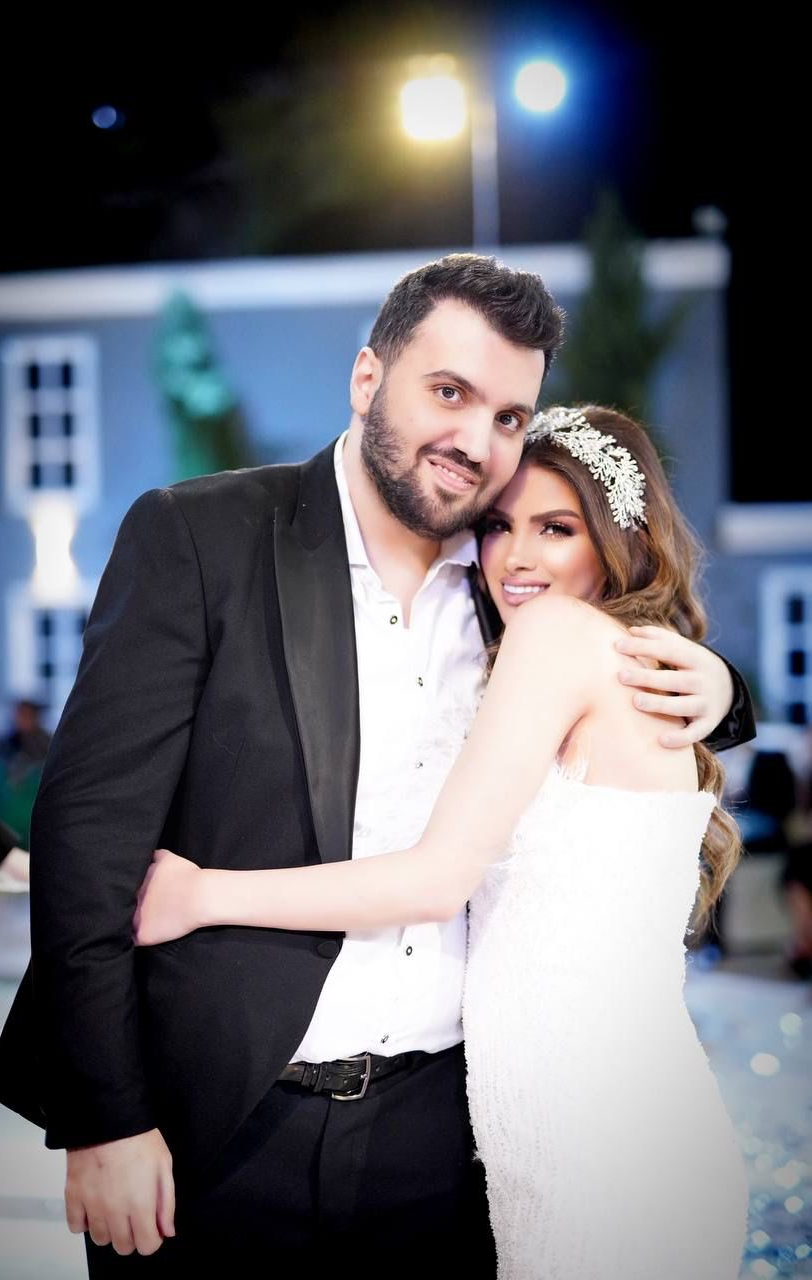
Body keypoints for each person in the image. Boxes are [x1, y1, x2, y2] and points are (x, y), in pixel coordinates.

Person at [0, 256, 754, 1277]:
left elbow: (604, 692)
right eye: (449, 391)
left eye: (508, 416)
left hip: (446, 1145)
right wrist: (105, 1117)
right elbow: (87, 835)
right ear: (365, 378)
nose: (476, 441)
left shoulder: (509, 592)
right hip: (219, 1127)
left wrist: (721, 688)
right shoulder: (203, 535)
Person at [135, 405, 749, 1279]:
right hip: (592, 1114)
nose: (516, 558)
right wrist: (724, 682)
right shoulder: (623, 654)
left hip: (594, 1134)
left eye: (556, 528)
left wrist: (201, 894)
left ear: (622, 538)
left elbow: (435, 880)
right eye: (496, 526)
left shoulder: (556, 636)